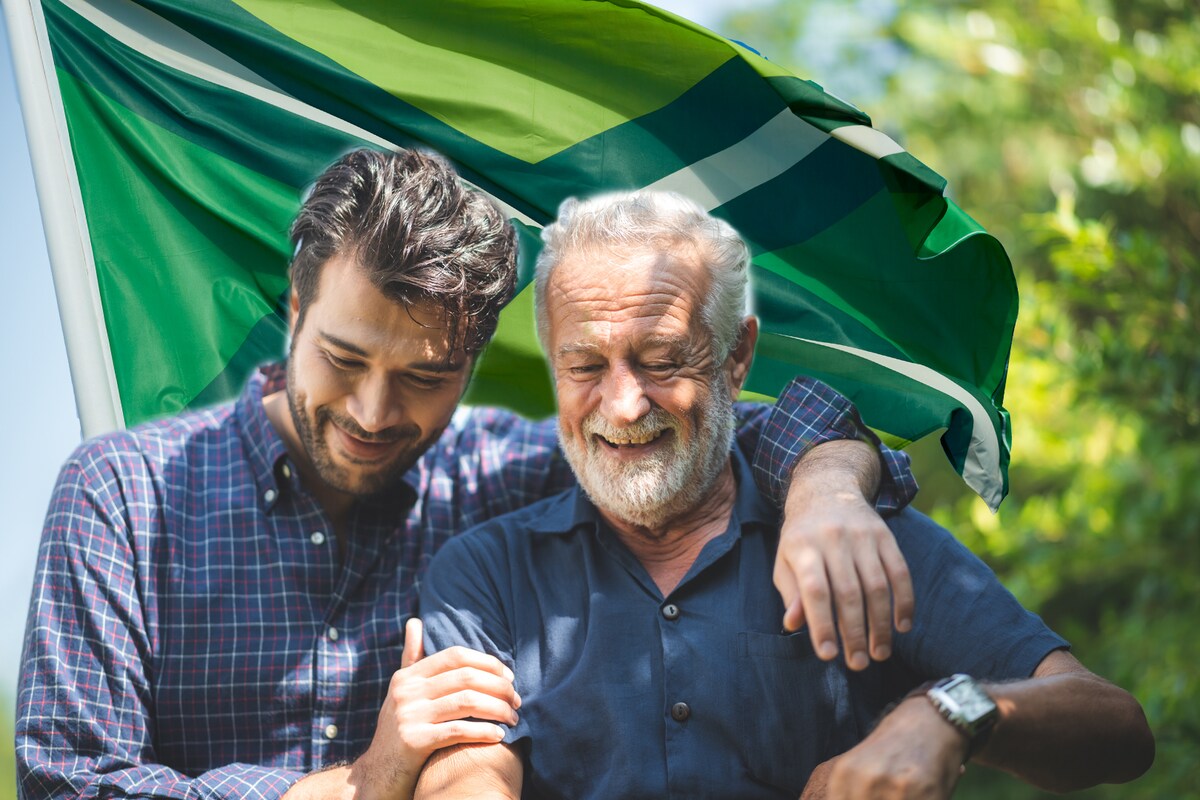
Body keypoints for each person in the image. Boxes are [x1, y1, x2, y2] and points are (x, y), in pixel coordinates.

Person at [16, 148, 920, 800]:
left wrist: (826, 490)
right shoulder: (120, 496)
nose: (374, 413)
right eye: (341, 358)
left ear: (476, 359)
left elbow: (714, 427)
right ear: (295, 307)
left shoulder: (509, 476)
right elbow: (66, 783)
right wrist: (356, 789)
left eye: (423, 378)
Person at [415, 190, 1155, 799]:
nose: (624, 404)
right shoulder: (486, 572)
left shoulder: (854, 537)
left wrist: (949, 713)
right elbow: (468, 772)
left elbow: (1117, 731)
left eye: (664, 360)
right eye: (583, 365)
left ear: (736, 357)